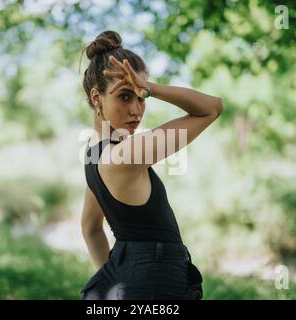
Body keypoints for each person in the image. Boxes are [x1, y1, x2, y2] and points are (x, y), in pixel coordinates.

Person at [79, 30, 223, 300]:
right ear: (97, 98)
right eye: (125, 96)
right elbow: (212, 108)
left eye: (141, 97)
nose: (137, 109)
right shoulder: (125, 154)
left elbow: (90, 227)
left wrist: (114, 280)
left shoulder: (94, 156)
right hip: (154, 285)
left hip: (128, 283)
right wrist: (152, 88)